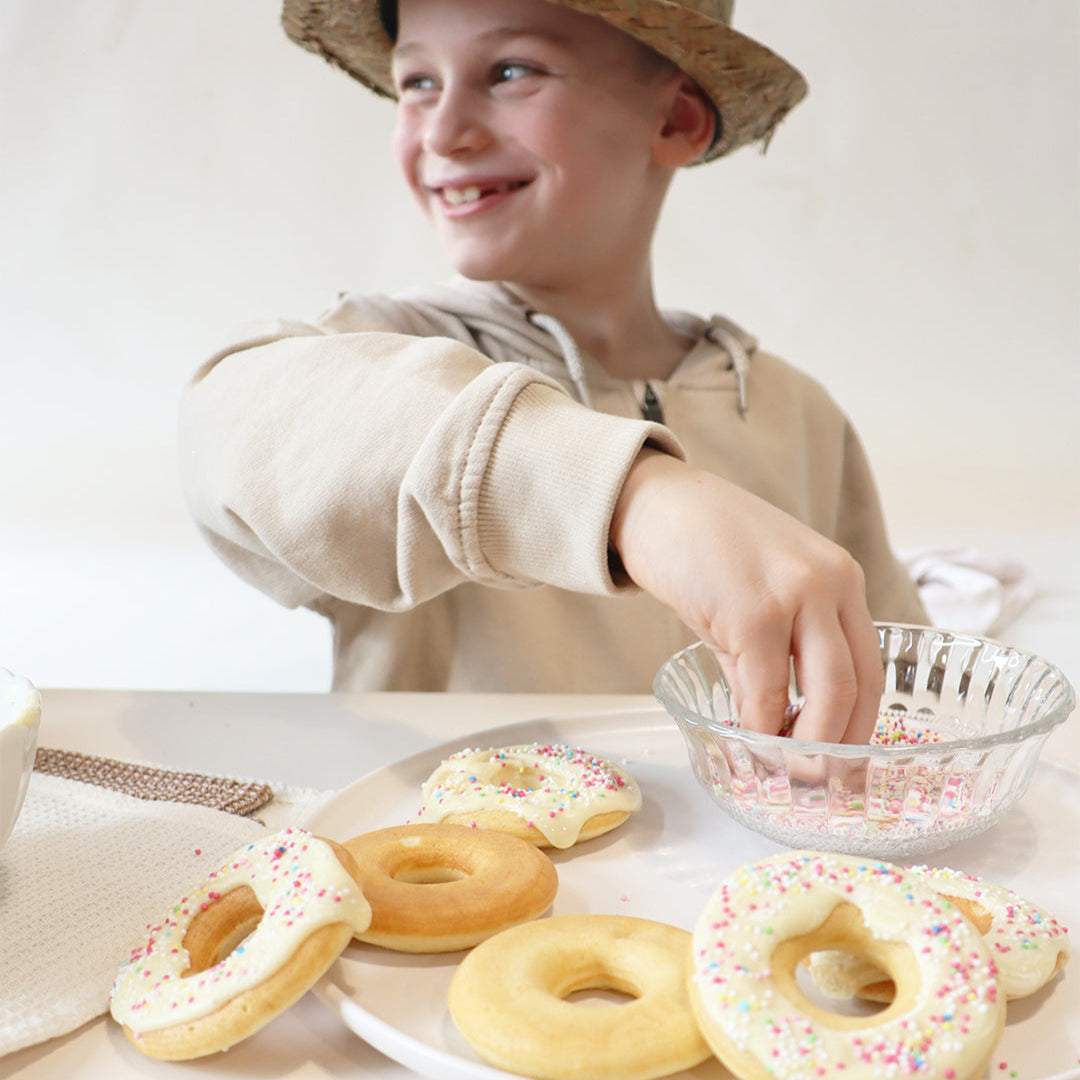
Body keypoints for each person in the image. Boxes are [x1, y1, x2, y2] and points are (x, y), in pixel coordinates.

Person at [179, 0, 927, 744]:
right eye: (417, 82)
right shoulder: (384, 353)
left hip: (737, 860)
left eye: (509, 72)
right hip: (450, 844)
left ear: (675, 122)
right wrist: (633, 495)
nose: (443, 131)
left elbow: (904, 687)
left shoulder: (790, 411)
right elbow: (231, 419)